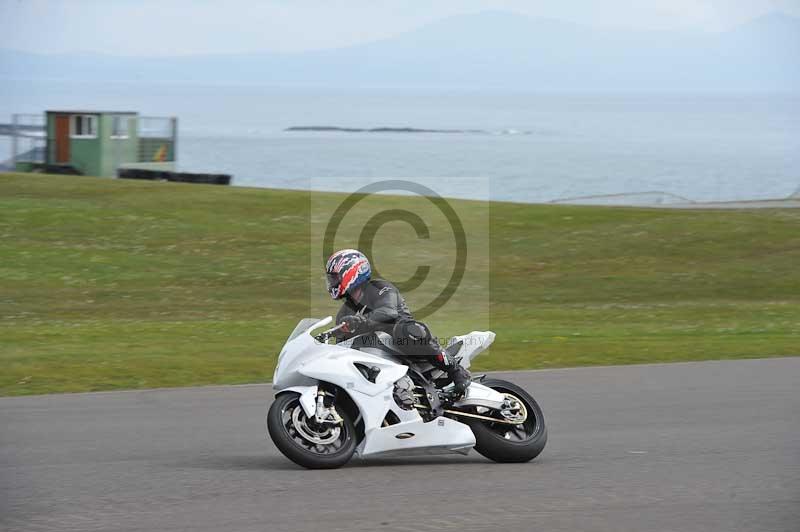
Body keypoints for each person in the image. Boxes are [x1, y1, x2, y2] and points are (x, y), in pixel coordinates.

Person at [324, 248, 471, 398]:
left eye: (335, 278)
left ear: (352, 272)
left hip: (403, 341)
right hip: (374, 352)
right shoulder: (345, 312)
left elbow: (389, 312)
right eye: (331, 279)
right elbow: (341, 345)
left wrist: (362, 321)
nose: (332, 282)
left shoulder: (381, 288)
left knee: (410, 331)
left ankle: (455, 370)